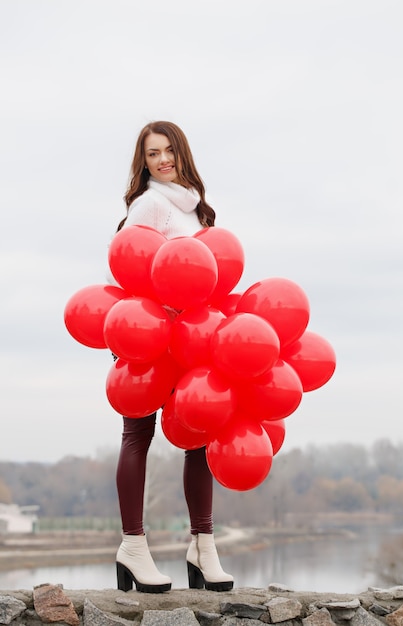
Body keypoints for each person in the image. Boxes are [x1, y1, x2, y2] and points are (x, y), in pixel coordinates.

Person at [111, 121, 234, 594]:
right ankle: (133, 547)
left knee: (198, 435)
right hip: (147, 338)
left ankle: (203, 547)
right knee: (137, 434)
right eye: (152, 154)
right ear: (143, 163)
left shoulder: (197, 212)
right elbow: (128, 264)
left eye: (168, 151)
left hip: (193, 340)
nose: (161, 160)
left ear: (182, 153)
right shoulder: (150, 204)